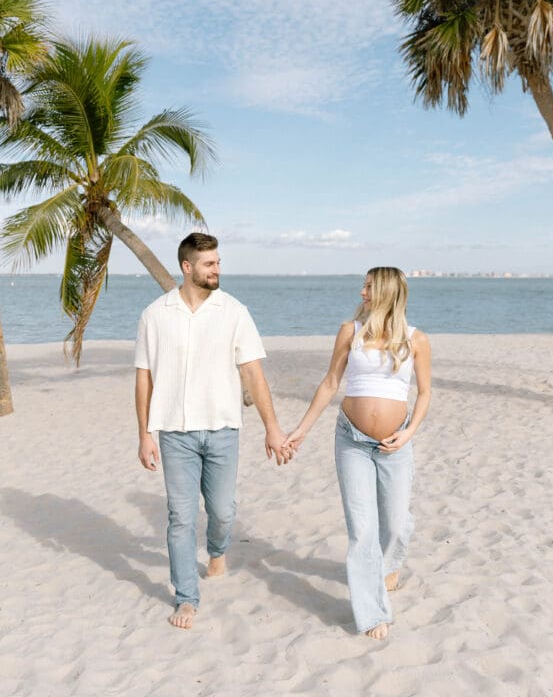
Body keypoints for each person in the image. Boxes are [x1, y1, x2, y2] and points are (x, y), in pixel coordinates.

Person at [135, 232, 292, 630]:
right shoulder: (155, 315)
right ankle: (186, 597)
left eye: (218, 262)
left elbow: (253, 373)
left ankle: (218, 550)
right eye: (209, 264)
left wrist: (272, 429)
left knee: (222, 512)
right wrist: (144, 433)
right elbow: (144, 378)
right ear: (187, 267)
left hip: (223, 430)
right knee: (180, 517)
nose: (217, 269)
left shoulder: (234, 311)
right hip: (174, 432)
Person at [284, 267, 431, 640]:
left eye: (368, 286)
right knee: (363, 530)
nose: (362, 291)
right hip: (351, 439)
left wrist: (409, 432)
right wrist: (301, 430)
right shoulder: (350, 331)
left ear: (385, 292)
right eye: (364, 286)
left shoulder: (416, 340)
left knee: (395, 526)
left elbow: (425, 393)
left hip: (395, 444)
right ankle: (372, 613)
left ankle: (390, 563)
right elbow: (331, 382)